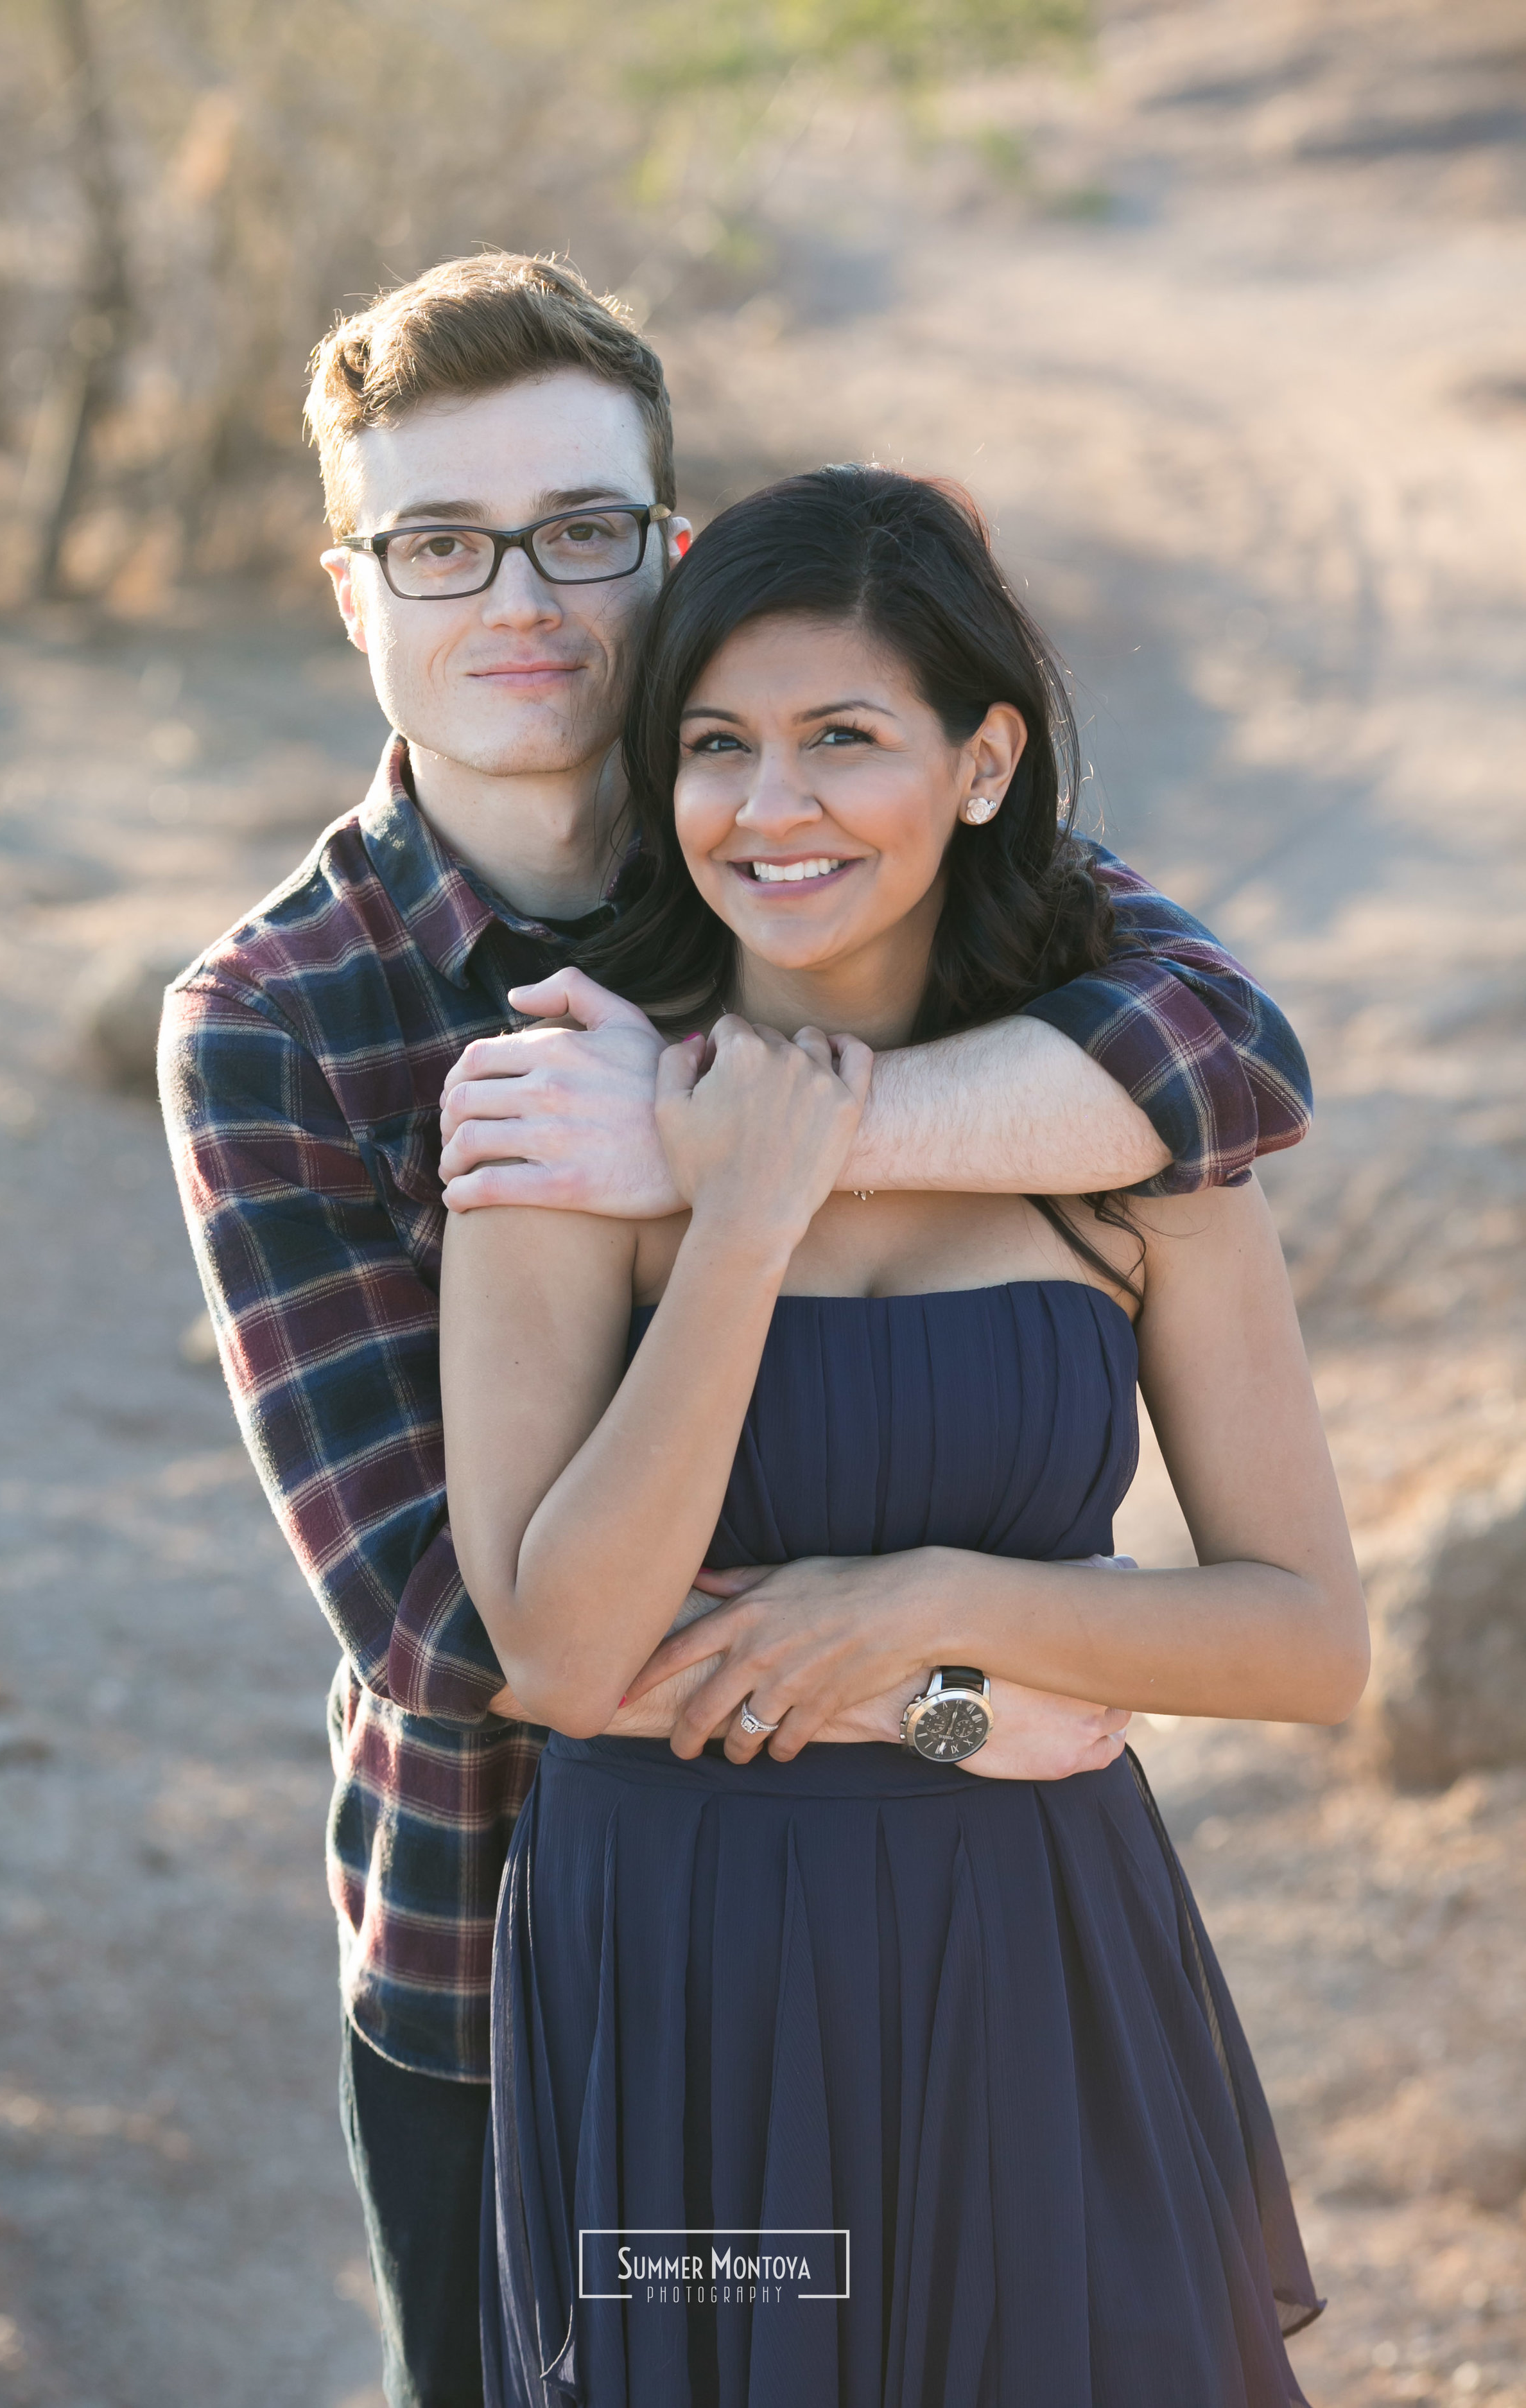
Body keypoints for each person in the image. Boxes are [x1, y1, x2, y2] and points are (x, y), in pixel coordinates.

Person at [157, 252, 1315, 2408]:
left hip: (966, 1937)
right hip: (528, 1957)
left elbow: (1222, 1055)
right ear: (351, 594)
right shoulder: (279, 1021)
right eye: (438, 543)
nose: (521, 597)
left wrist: (723, 1146)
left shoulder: (841, 851)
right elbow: (443, 1624)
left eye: (581, 530)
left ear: (662, 545)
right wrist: (959, 1687)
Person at [444, 464, 1367, 2407]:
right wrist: (742, 1218)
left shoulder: (1131, 1144)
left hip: (1033, 1952)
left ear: (979, 760)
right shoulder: (558, 1121)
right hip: (676, 1968)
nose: (768, 809)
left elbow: (1305, 1642)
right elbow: (559, 1647)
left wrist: (937, 1605)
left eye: (841, 739)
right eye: (715, 747)